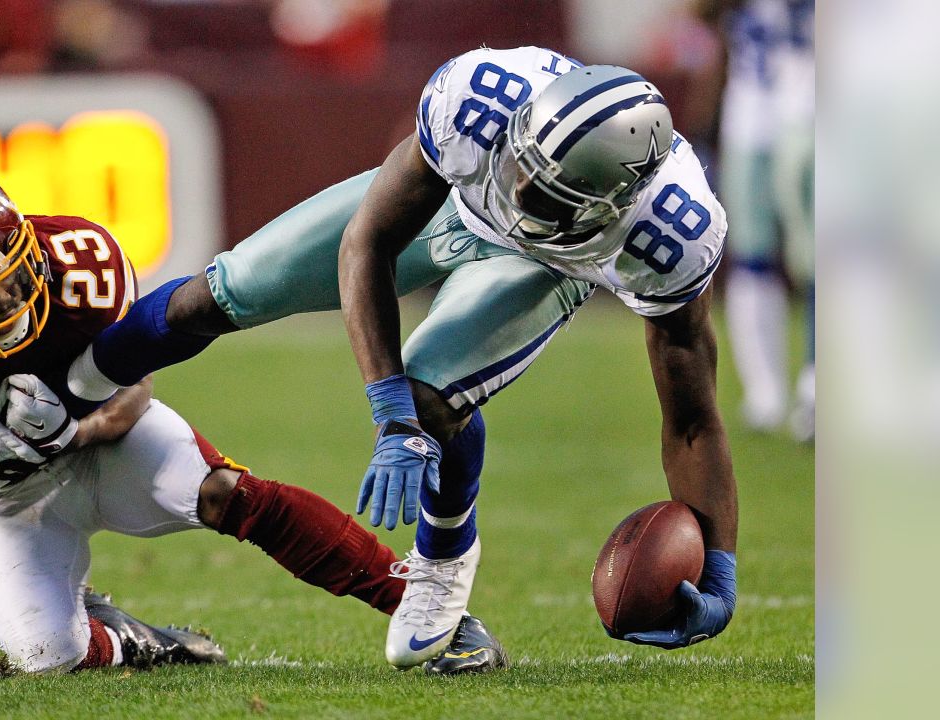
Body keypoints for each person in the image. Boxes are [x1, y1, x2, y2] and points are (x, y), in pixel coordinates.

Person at [64, 47, 741, 668]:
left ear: (613, 203)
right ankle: (67, 382)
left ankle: (442, 561)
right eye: (522, 166)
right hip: (445, 207)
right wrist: (384, 410)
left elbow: (691, 417)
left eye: (548, 192)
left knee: (429, 396)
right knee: (223, 290)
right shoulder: (480, 101)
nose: (519, 191)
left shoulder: (671, 232)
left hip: (542, 266)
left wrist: (718, 567)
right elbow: (369, 243)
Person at [0, 164, 506, 675]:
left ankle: (428, 609)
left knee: (226, 493)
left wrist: (88, 424)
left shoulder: (77, 262)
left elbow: (131, 382)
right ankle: (137, 641)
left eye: (15, 276)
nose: (11, 302)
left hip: (106, 439)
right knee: (46, 658)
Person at [699, 0, 815, 440]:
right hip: (750, 114)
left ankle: (815, 384)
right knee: (750, 255)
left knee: (820, 257)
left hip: (807, 109)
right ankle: (765, 393)